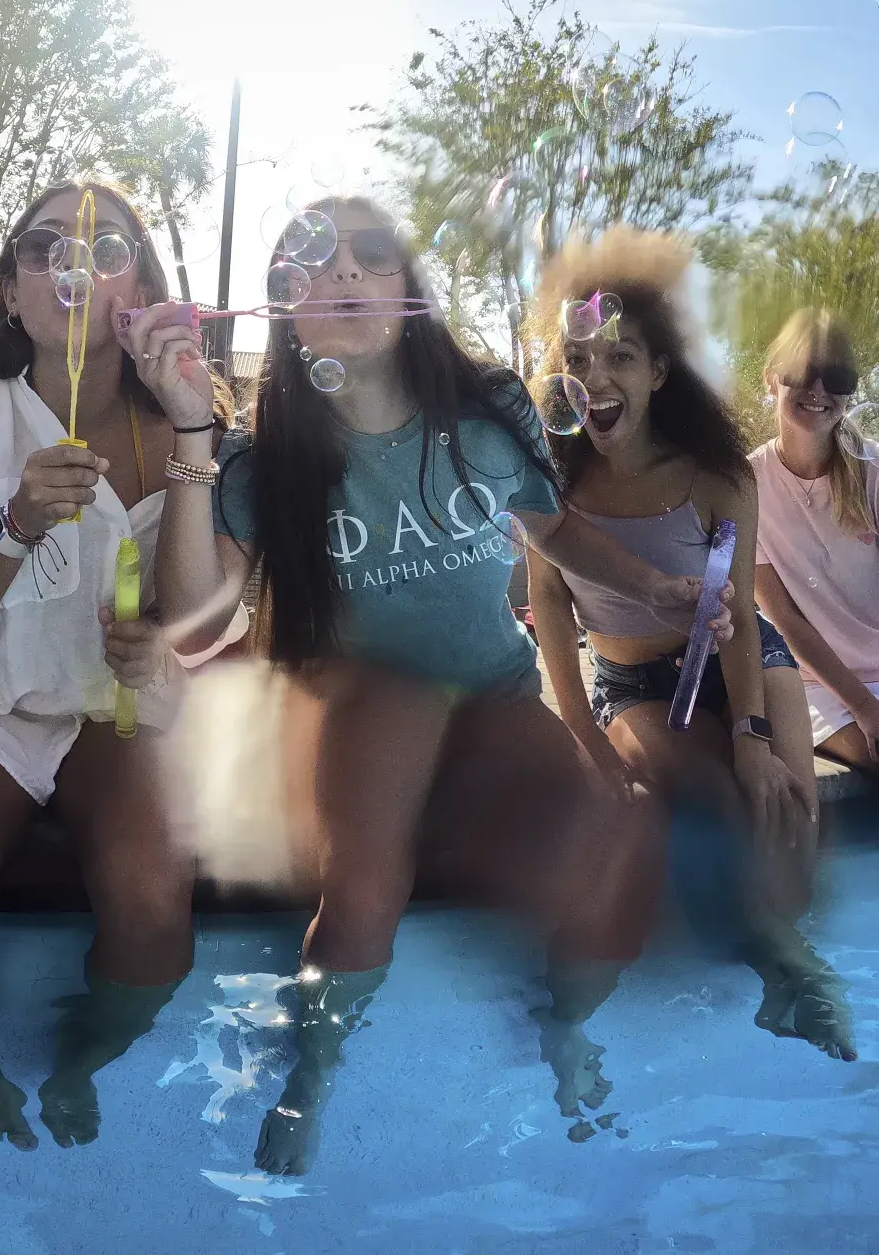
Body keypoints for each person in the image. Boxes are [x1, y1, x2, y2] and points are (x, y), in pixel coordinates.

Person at [136, 195, 735, 1173]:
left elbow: (555, 532)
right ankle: (314, 1068)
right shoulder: (266, 456)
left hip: (491, 700)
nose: (340, 276)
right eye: (310, 265)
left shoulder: (489, 413)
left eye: (368, 257)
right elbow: (191, 616)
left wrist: (656, 584)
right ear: (284, 311)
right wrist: (193, 433)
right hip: (351, 717)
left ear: (407, 293)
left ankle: (565, 1024)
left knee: (609, 849)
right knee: (366, 883)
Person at [0, 179, 248, 1150]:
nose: (70, 265)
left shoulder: (189, 421)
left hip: (115, 706)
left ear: (143, 286)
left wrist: (193, 432)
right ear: (13, 288)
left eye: (105, 244)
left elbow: (205, 621)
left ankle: (86, 1052)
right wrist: (14, 525)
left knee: (157, 909)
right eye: (42, 248)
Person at [525, 228, 855, 1063]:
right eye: (580, 359)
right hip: (633, 683)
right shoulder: (550, 481)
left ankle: (777, 960)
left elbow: (738, 610)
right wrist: (579, 735)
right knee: (706, 795)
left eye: (622, 358)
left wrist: (752, 738)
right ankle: (786, 967)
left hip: (745, 662)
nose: (595, 378)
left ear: (659, 373)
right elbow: (550, 610)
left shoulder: (717, 476)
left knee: (788, 818)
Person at [752, 308, 879, 776]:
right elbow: (786, 621)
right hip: (815, 685)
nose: (818, 389)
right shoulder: (745, 487)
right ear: (771, 380)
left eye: (836, 375)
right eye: (803, 371)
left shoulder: (873, 472)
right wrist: (866, 707)